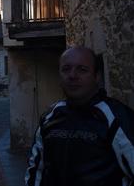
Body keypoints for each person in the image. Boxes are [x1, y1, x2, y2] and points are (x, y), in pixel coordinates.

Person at [25, 46, 134, 186]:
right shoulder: (50, 117)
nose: (72, 75)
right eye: (66, 69)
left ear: (97, 76)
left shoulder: (117, 118)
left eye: (82, 69)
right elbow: (36, 171)